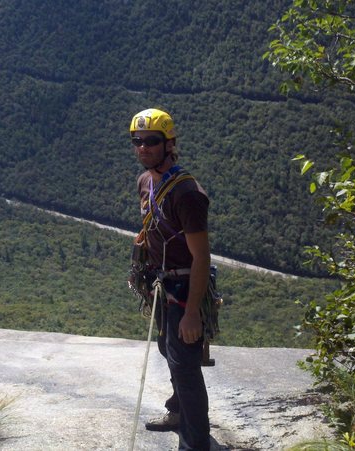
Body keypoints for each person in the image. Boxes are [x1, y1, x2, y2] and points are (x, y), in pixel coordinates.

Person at [129, 108, 211, 450]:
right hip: (160, 283)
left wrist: (193, 312)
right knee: (168, 348)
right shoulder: (146, 181)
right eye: (138, 141)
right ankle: (178, 412)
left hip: (183, 286)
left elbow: (202, 257)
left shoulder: (186, 193)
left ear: (169, 144)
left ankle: (196, 442)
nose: (143, 148)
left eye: (152, 141)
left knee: (186, 365)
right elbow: (155, 227)